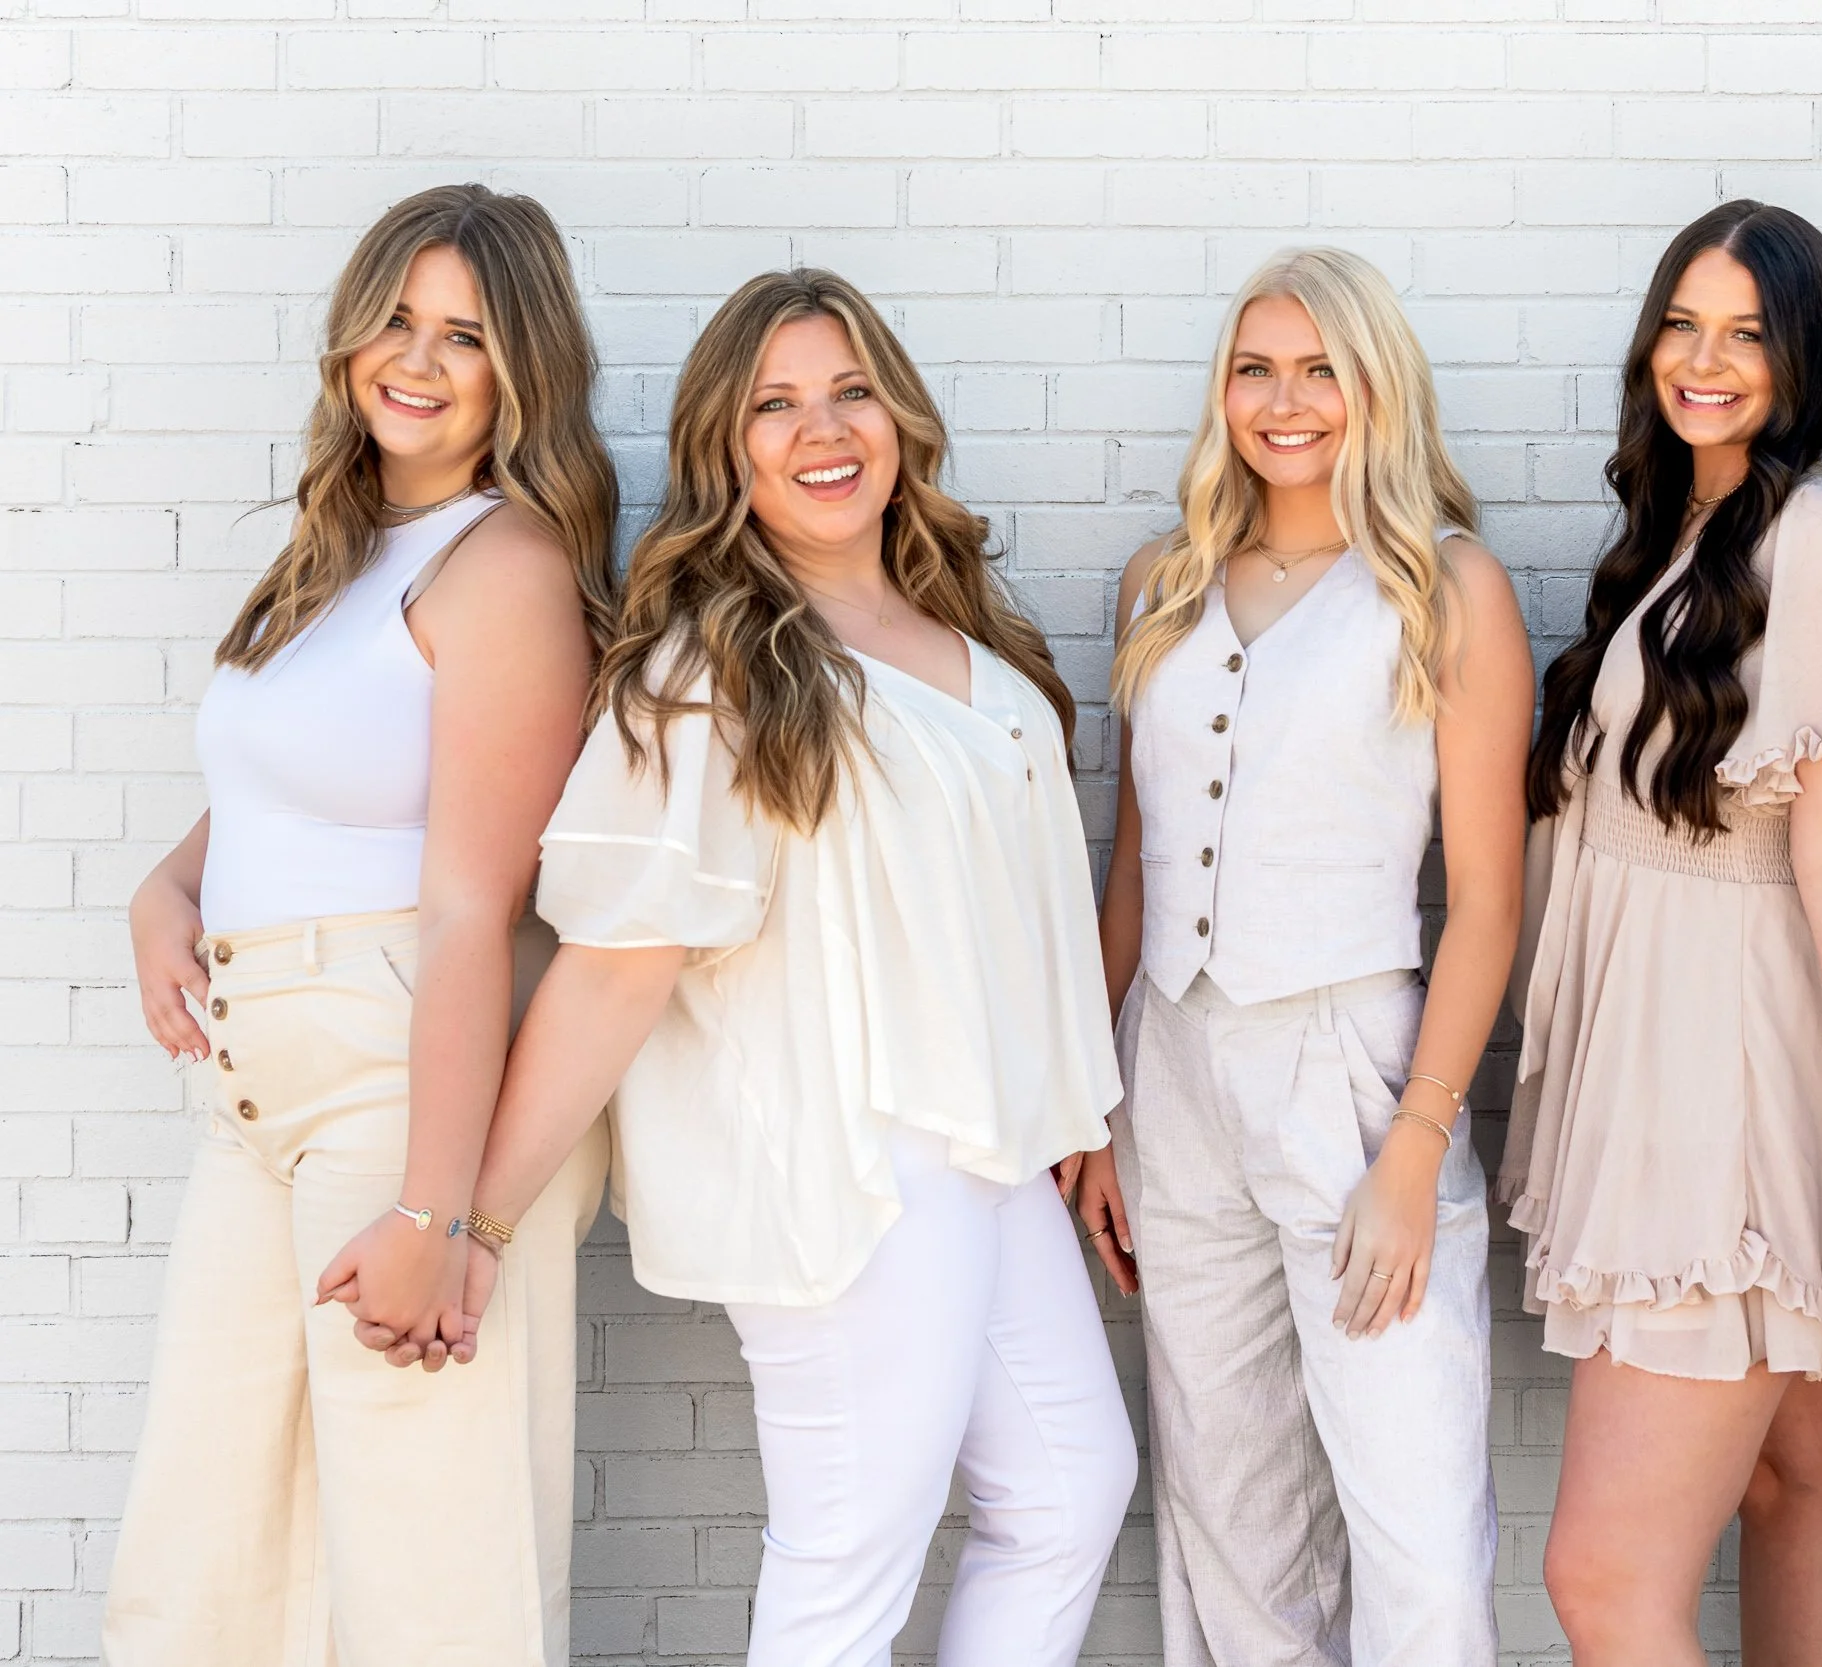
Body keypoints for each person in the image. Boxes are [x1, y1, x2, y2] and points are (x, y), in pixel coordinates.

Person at [424, 268, 1134, 1667]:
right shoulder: (714, 670)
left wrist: (1083, 1118)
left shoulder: (970, 640)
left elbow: (1021, 915)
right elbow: (618, 963)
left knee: (1067, 1488)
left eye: (851, 389)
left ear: (900, 416)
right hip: (849, 1164)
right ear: (726, 447)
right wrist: (478, 1222)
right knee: (846, 1559)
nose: (824, 428)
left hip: (989, 1154)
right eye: (777, 404)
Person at [105, 183, 618, 1667]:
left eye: (467, 334)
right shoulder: (335, 556)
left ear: (522, 370)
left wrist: (433, 1214)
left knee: (423, 1566)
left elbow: (472, 901)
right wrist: (166, 887)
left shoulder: (504, 567)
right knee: (206, 1552)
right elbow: (296, 786)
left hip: (400, 1080)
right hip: (255, 1087)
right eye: (399, 316)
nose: (420, 356)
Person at [1071, 246, 1532, 1667]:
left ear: (1376, 384)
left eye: (1322, 367)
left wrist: (1415, 1143)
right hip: (1178, 1070)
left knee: (1412, 1515)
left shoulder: (1446, 588)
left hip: (1353, 1069)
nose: (1287, 400)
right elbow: (1135, 866)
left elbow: (1491, 900)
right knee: (1228, 1510)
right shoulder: (1167, 577)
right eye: (1256, 367)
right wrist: (1095, 1106)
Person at [1502, 200, 1822, 1667]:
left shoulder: (1813, 535)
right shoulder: (1683, 534)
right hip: (1680, 1059)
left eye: (1749, 333)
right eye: (1684, 323)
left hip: (1722, 1087)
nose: (1706, 358)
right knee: (1790, 1483)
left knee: (1604, 1583)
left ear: (1804, 357)